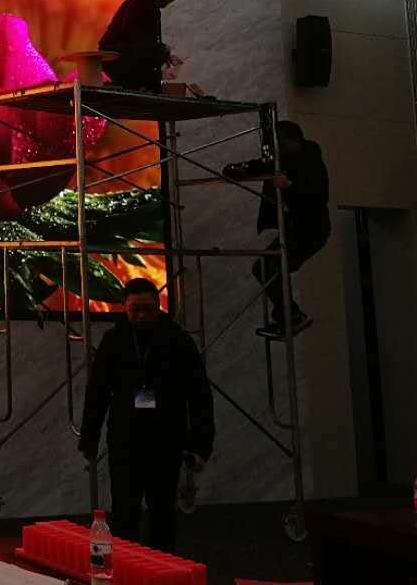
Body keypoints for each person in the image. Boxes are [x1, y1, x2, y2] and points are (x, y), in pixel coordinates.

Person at [78, 278, 214, 553]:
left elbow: (199, 394)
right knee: (124, 510)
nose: (141, 315)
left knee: (162, 510)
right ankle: (127, 565)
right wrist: (89, 438)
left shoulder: (177, 339)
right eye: (135, 309)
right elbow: (97, 392)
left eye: (148, 309)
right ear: (125, 308)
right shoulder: (114, 340)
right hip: (125, 437)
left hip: (166, 437)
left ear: (158, 306)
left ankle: (161, 565)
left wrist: (201, 445)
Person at [235, 120, 330, 338]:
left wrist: (289, 187)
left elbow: (317, 196)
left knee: (268, 267)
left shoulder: (310, 160)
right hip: (297, 230)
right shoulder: (285, 160)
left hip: (309, 230)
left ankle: (291, 317)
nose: (277, 150)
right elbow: (260, 166)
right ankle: (289, 317)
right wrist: (236, 170)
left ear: (294, 141)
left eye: (280, 144)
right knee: (268, 268)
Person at [98, 0, 193, 92]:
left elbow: (143, 44)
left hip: (124, 61)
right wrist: (162, 51)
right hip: (117, 61)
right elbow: (134, 36)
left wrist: (164, 55)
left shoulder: (150, 4)